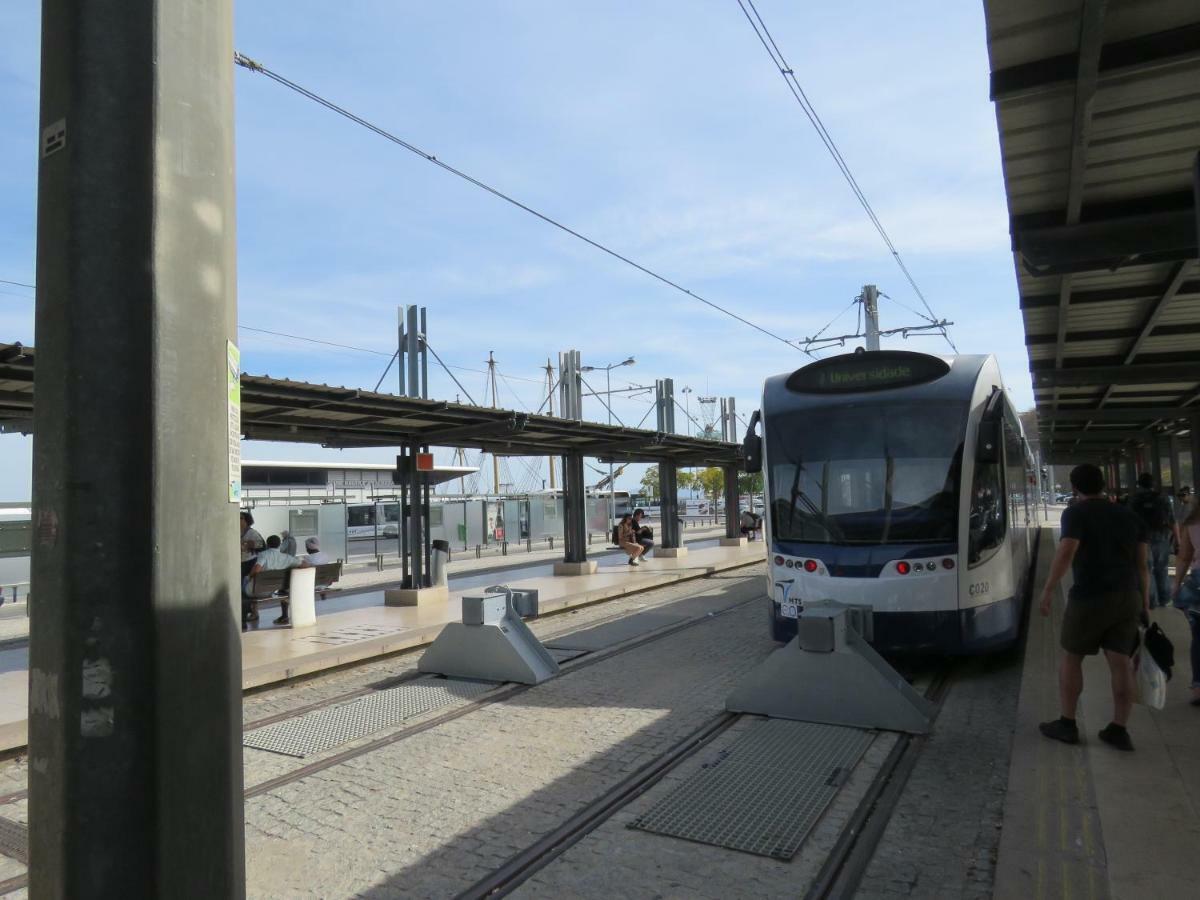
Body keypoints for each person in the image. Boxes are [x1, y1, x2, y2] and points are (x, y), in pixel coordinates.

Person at [1039, 463, 1148, 752]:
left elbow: (1066, 551)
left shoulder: (1075, 513)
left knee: (1072, 657)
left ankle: (1067, 723)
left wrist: (1048, 589)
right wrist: (1144, 603)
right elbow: (1142, 566)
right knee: (1120, 661)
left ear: (1075, 487)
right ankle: (1119, 729)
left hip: (1090, 596)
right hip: (1128, 596)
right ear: (1103, 484)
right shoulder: (1130, 516)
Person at [1128, 472, 1176, 608]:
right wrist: (1177, 537)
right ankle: (1165, 599)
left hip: (1141, 538)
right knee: (1162, 568)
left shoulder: (1134, 499)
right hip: (1161, 536)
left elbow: (1129, 520)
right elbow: (1172, 519)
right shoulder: (1162, 498)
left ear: (1139, 484)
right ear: (1153, 483)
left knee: (1146, 569)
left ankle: (1151, 601)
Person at [1172, 501, 1200, 706]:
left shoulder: (1193, 521)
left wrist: (1176, 585)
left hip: (1197, 585)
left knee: (1198, 638)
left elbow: (1184, 557)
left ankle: (1198, 688)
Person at [249, 535, 306, 626]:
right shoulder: (287, 557)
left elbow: (256, 570)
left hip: (260, 590)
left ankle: (252, 614)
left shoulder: (264, 555)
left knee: (243, 586)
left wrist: (249, 577)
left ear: (267, 544)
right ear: (279, 545)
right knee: (284, 589)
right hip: (277, 588)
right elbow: (304, 565)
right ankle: (284, 616)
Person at [240, 511, 266, 626]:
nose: (239, 520)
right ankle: (248, 612)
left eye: (241, 518)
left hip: (249, 563)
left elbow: (262, 545)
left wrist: (250, 545)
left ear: (247, 521)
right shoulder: (237, 531)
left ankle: (248, 614)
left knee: (246, 590)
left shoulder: (252, 533)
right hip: (241, 563)